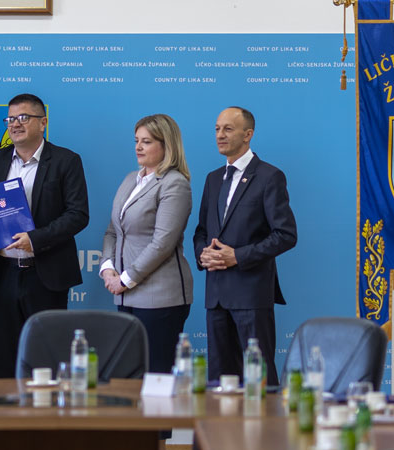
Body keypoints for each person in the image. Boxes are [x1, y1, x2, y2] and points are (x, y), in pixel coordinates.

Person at [0, 93, 90, 378]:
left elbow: (78, 215)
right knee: (5, 357)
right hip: (5, 273)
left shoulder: (66, 160)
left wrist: (35, 239)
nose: (15, 124)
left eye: (23, 117)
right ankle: (5, 408)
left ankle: (47, 408)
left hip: (46, 274)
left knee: (47, 356)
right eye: (10, 119)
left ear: (43, 122)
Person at [193, 106, 296, 386]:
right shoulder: (213, 179)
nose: (220, 135)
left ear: (248, 134)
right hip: (216, 296)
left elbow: (286, 234)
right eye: (217, 129)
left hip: (251, 296)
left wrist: (237, 256)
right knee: (219, 382)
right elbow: (201, 231)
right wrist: (203, 255)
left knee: (258, 380)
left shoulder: (269, 176)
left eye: (228, 129)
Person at [101, 114, 193, 373]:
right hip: (125, 294)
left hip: (159, 297)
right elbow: (112, 231)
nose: (138, 147)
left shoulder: (175, 184)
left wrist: (125, 279)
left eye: (147, 141)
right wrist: (107, 268)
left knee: (156, 374)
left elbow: (163, 243)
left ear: (167, 146)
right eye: (136, 141)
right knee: (130, 375)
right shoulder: (130, 179)